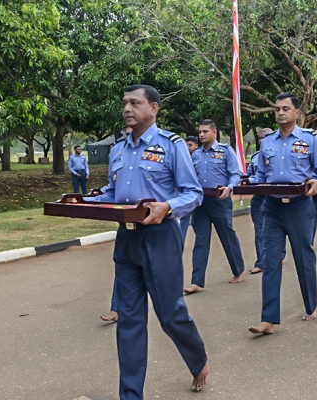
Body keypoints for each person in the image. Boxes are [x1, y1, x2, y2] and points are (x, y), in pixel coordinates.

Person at [89, 84, 209, 396]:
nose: (127, 109)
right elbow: (115, 194)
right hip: (126, 242)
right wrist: (90, 199)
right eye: (125, 103)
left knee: (170, 314)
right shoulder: (118, 149)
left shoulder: (172, 145)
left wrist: (168, 206)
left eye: (135, 103)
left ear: (153, 108)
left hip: (160, 238)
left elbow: (193, 193)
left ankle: (198, 361)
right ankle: (130, 395)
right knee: (128, 321)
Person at [248, 93, 317, 334]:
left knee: (303, 256)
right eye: (277, 109)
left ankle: (310, 305)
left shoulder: (309, 139)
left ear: (297, 113)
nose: (280, 113)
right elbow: (261, 176)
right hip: (272, 207)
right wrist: (244, 183)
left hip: (300, 206)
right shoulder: (267, 142)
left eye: (286, 108)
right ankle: (268, 319)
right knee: (270, 261)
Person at [184, 120, 245, 294]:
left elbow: (235, 174)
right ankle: (197, 282)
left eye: (205, 131)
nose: (202, 135)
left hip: (220, 200)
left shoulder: (225, 151)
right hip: (201, 203)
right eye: (200, 132)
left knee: (227, 236)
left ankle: (238, 270)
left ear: (214, 132)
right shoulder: (195, 154)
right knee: (200, 240)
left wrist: (229, 187)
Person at [248, 127, 273, 274]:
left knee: (276, 228)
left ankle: (279, 254)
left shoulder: (279, 154)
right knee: (259, 230)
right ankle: (261, 262)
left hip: (274, 197)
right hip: (258, 198)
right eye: (260, 138)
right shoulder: (255, 156)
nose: (262, 140)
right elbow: (251, 175)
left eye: (265, 137)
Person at [179, 136, 200, 241]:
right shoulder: (183, 158)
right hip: (186, 193)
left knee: (198, 222)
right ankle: (179, 242)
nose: (187, 148)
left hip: (200, 194)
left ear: (197, 146)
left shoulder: (200, 157)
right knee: (184, 217)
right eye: (186, 145)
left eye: (190, 145)